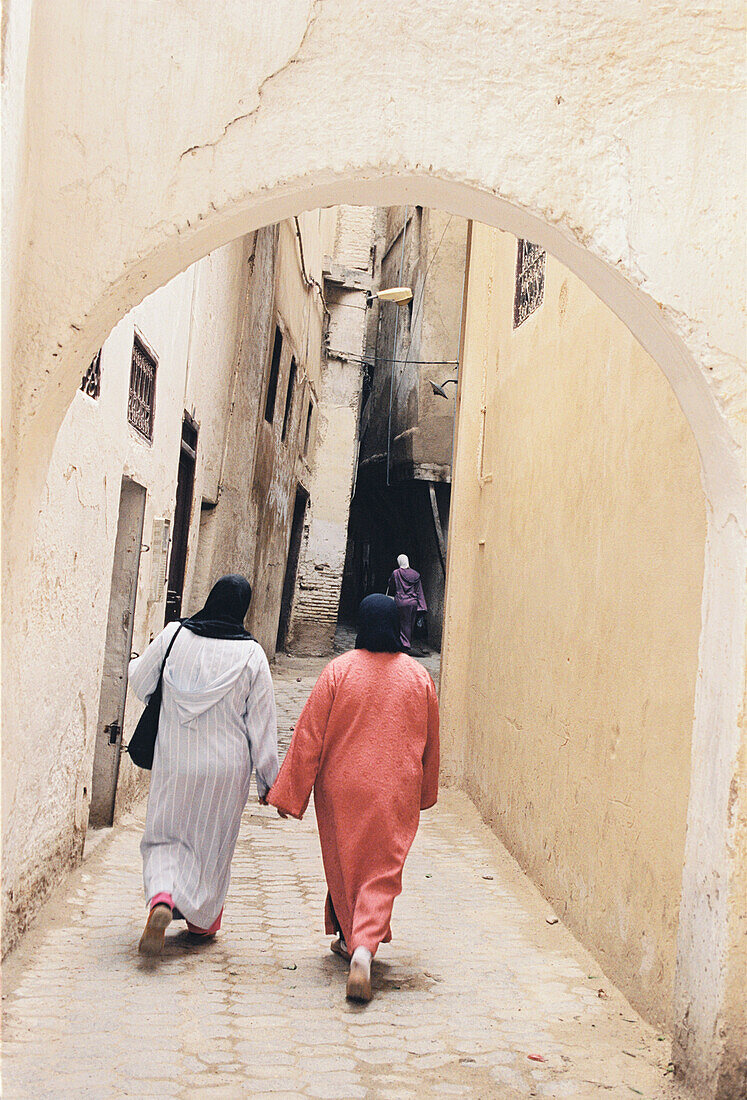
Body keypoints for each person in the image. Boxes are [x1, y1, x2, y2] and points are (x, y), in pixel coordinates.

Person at [266, 593, 439, 1003]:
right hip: (394, 789)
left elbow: (309, 736)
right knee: (381, 869)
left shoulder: (337, 672)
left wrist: (291, 793)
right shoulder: (418, 678)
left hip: (341, 789)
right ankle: (363, 948)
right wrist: (425, 792)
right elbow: (431, 742)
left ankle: (351, 938)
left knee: (346, 863)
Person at [129, 574, 279, 956]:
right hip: (226, 770)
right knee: (212, 845)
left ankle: (162, 896)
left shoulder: (174, 636)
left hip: (175, 759)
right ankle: (201, 923)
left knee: (165, 834)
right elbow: (262, 726)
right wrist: (269, 783)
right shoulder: (252, 656)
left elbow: (141, 681)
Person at [387, 553, 427, 650]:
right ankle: (407, 642)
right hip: (413, 602)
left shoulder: (396, 573)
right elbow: (419, 591)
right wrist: (422, 606)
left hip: (400, 602)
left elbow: (391, 585)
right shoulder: (416, 574)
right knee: (409, 623)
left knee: (400, 622)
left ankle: (402, 643)